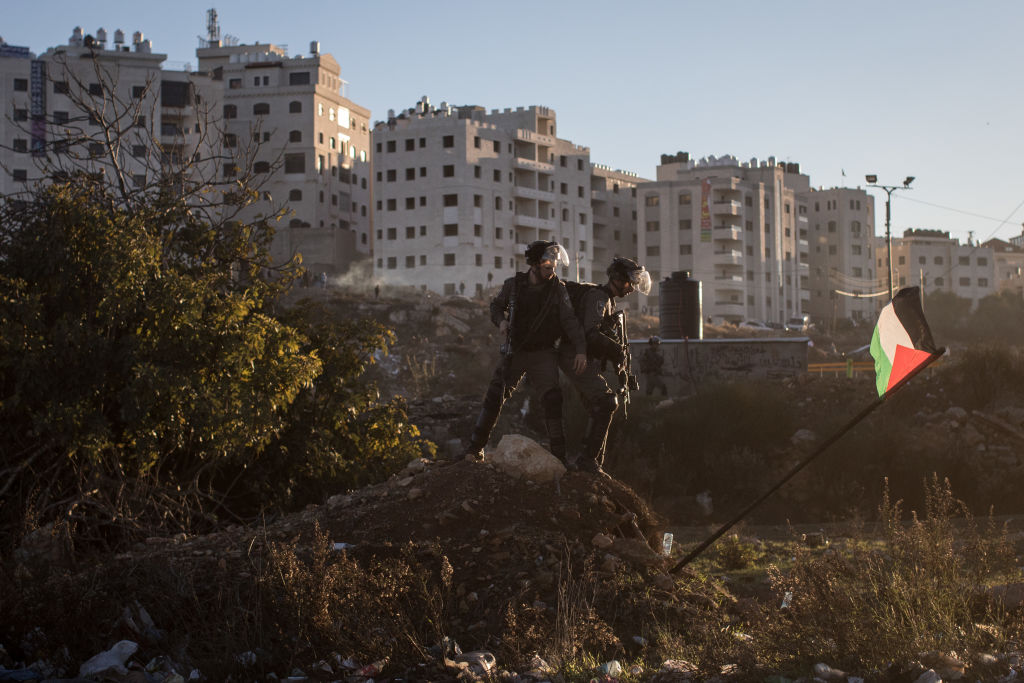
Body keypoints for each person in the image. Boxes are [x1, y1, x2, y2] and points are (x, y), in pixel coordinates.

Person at [464, 241, 587, 463]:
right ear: (534, 264)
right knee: (495, 394)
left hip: (543, 353)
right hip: (517, 350)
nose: (552, 270)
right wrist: (501, 322)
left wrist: (581, 350)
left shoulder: (558, 290)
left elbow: (569, 321)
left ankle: (559, 458)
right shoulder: (514, 285)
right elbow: (496, 306)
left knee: (552, 399)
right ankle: (475, 449)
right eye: (547, 265)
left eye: (554, 266)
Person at [558, 257, 651, 475]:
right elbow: (591, 333)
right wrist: (615, 350)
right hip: (574, 356)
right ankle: (587, 460)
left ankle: (592, 462)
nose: (632, 288)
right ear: (617, 279)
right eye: (630, 282)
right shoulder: (598, 297)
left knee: (598, 408)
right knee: (607, 402)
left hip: (580, 357)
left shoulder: (608, 300)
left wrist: (617, 358)